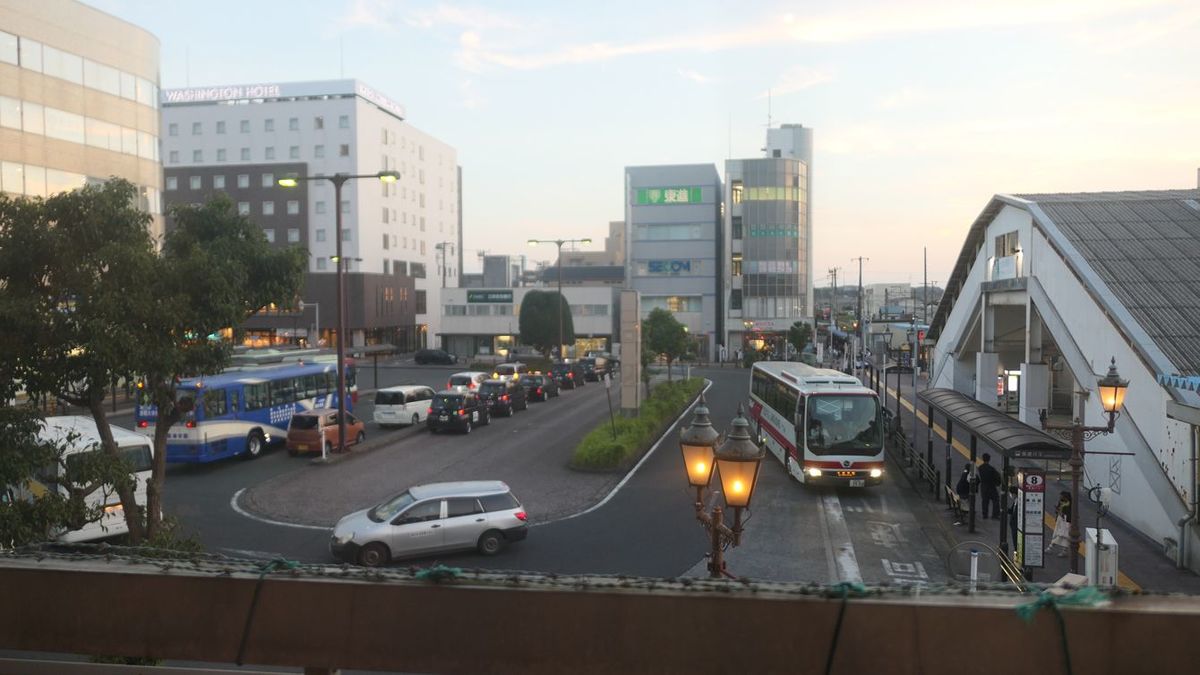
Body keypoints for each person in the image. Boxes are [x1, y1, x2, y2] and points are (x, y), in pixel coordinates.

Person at [1047, 490, 1072, 557]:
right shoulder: (1061, 502)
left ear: (1065, 497)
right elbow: (1058, 509)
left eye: (1061, 496)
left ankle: (1053, 548)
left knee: (1064, 535)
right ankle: (1053, 548)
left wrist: (1062, 514)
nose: (1060, 497)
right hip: (1060, 519)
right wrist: (1057, 510)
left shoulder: (1070, 504)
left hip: (1066, 521)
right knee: (1057, 533)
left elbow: (1070, 513)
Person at [977, 453, 1001, 519]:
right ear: (989, 459)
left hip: (983, 487)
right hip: (991, 486)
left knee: (985, 501)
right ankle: (995, 515)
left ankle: (985, 515)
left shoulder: (980, 468)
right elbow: (997, 477)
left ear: (983, 459)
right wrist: (997, 483)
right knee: (995, 499)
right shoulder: (991, 469)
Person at [1007, 486, 1020, 555]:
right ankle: (1016, 553)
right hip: (1013, 525)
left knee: (1016, 541)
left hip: (1016, 526)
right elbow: (1012, 511)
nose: (1010, 495)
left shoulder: (1019, 502)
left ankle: (1017, 554)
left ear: (1014, 494)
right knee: (1015, 541)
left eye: (1010, 494)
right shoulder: (1016, 501)